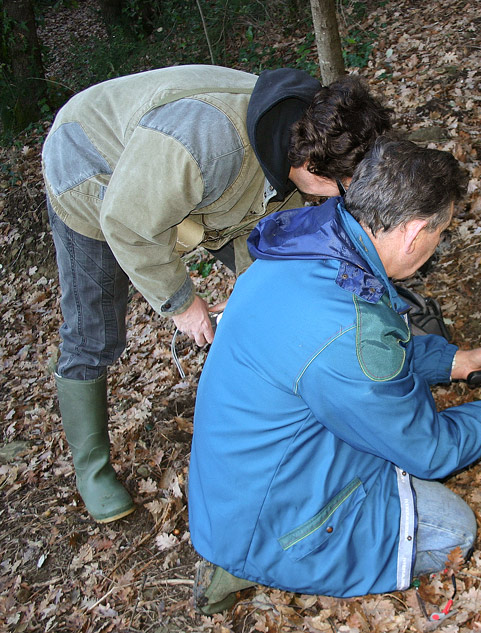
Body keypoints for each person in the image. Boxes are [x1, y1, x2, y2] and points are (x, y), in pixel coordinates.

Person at [187, 137, 481, 614]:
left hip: (228, 489)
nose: (436, 246)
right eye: (440, 233)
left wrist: (455, 361)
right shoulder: (349, 330)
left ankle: (239, 555)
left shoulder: (310, 246)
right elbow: (430, 450)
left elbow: (356, 354)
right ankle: (246, 567)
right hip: (270, 521)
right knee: (456, 529)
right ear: (413, 233)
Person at [42, 64, 392, 523]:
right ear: (311, 166)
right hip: (89, 168)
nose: (337, 202)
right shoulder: (208, 144)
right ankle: (91, 470)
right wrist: (184, 305)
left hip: (198, 191)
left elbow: (268, 248)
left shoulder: (301, 133)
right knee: (95, 332)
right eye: (340, 190)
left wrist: (262, 299)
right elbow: (127, 224)